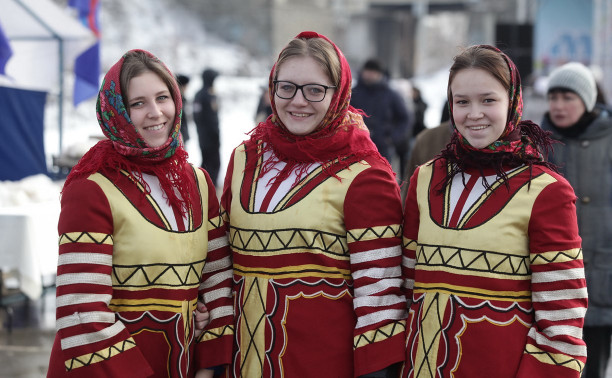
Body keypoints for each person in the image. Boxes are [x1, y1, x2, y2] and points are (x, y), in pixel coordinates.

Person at [220, 31, 407, 377]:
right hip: (242, 364)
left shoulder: (364, 175)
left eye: (315, 89)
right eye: (286, 87)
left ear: (340, 94)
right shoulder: (245, 158)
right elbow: (220, 266)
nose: (298, 101)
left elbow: (379, 300)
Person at [401, 45, 587, 377]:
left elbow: (561, 324)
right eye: (462, 102)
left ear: (513, 101)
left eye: (488, 100)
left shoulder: (547, 192)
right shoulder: (425, 178)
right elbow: (406, 289)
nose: (474, 114)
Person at [46, 50, 234, 377]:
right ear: (116, 112)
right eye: (138, 103)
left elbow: (218, 279)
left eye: (163, 97)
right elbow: (82, 311)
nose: (156, 112)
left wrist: (210, 364)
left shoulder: (199, 183)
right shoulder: (92, 189)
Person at [541, 62, 612, 378]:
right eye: (553, 97)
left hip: (603, 271)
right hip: (550, 272)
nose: (557, 106)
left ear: (587, 100)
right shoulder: (538, 143)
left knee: (593, 364)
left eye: (567, 97)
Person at [350, 58, 412, 172]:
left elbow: (405, 118)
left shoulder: (391, 95)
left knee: (381, 179)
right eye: (368, 71)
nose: (370, 75)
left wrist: (392, 138)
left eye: (373, 72)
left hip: (382, 148)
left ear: (380, 74)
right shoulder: (353, 93)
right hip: (355, 147)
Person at [193, 68, 221, 186]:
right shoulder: (201, 95)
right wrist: (205, 132)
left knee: (214, 163)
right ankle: (206, 187)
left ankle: (210, 186)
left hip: (213, 135)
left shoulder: (211, 93)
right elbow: (197, 116)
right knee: (209, 163)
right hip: (206, 136)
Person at [176, 73, 191, 142]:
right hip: (178, 135)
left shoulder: (184, 99)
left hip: (183, 134)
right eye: (185, 86)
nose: (186, 88)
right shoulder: (177, 101)